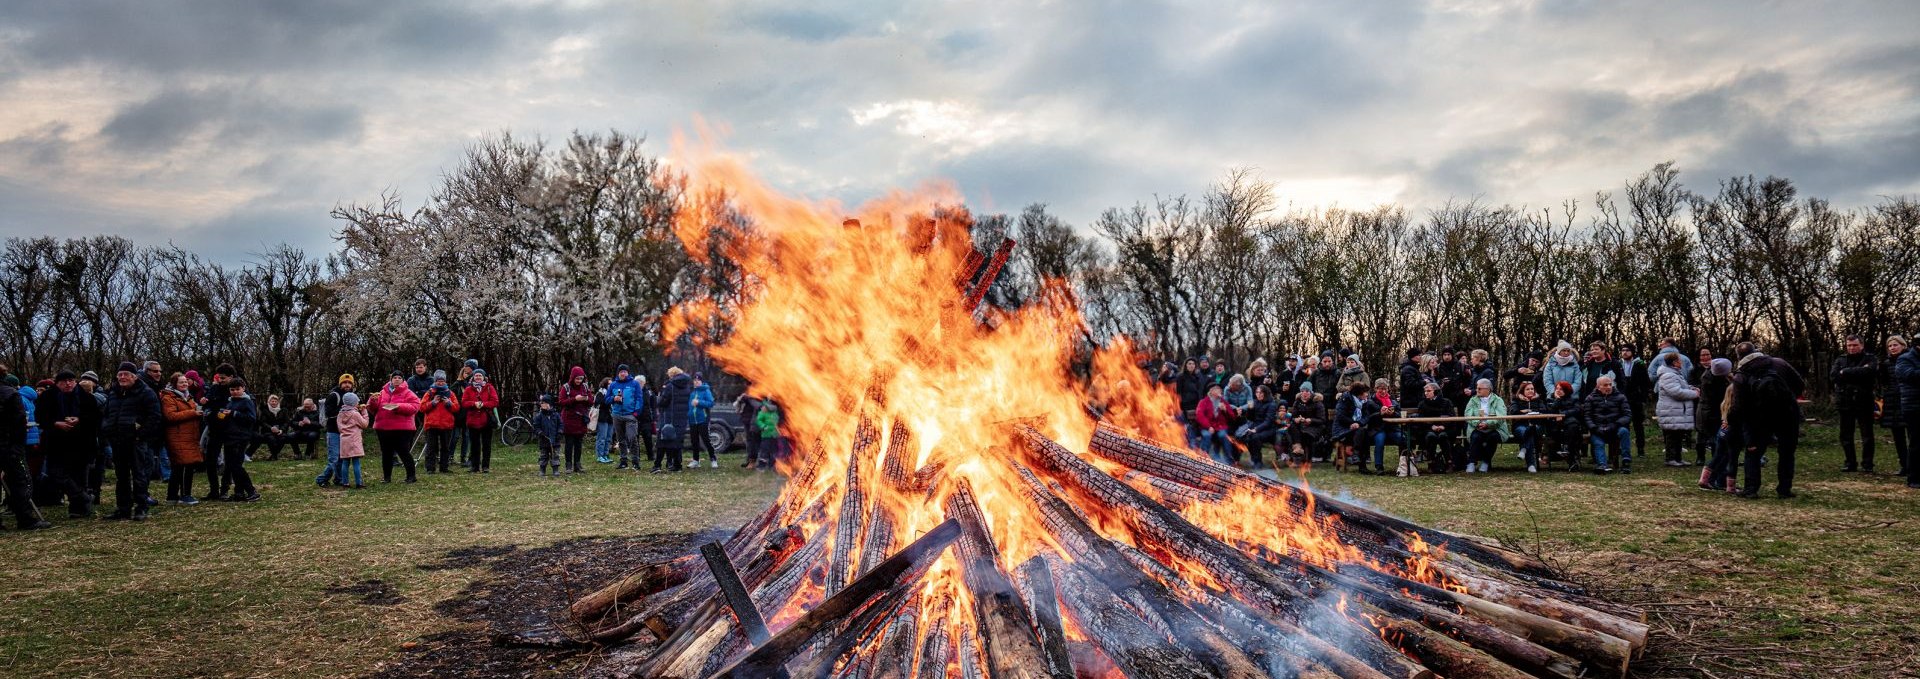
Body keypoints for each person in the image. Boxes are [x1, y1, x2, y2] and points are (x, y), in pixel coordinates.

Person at [1728, 343, 1805, 498]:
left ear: (1738, 357)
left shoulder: (1741, 375)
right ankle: (1784, 489)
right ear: (1756, 351)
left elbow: (1739, 405)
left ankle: (1751, 489)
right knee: (1787, 452)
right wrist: (1787, 399)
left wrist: (1732, 421)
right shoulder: (1779, 363)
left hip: (1758, 419)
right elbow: (1799, 384)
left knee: (1753, 453)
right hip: (1787, 414)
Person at [102, 363, 164, 518]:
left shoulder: (146, 392)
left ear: (134, 376)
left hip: (136, 441)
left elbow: (155, 416)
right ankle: (123, 508)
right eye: (120, 374)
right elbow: (106, 413)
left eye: (126, 374)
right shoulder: (113, 393)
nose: (123, 377)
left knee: (139, 474)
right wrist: (108, 428)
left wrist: (141, 434)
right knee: (121, 476)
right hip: (117, 440)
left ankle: (141, 507)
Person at [36, 371, 100, 518]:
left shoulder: (86, 397)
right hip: (56, 443)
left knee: (78, 475)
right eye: (64, 381)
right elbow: (41, 416)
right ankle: (83, 497)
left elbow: (95, 417)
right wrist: (55, 423)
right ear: (57, 383)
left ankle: (78, 509)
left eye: (71, 380)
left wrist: (78, 420)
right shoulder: (47, 397)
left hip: (81, 443)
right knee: (56, 474)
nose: (68, 384)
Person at [0, 375, 50, 530]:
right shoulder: (10, 393)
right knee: (21, 481)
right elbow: (19, 423)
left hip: (7, 444)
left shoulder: (9, 393)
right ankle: (26, 519)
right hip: (9, 446)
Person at [1828, 335, 1878, 473]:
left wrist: (1846, 372)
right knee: (1845, 434)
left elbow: (1870, 372)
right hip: (1845, 401)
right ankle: (1850, 463)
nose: (1851, 348)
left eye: (1854, 345)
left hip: (1864, 401)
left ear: (1861, 345)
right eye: (1849, 345)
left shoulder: (1870, 358)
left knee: (1867, 434)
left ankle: (1867, 464)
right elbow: (1834, 376)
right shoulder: (1840, 359)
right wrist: (1858, 373)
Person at [159, 374, 205, 505]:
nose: (184, 384)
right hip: (177, 436)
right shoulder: (169, 397)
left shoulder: (188, 396)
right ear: (174, 384)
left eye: (185, 382)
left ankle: (173, 496)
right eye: (181, 382)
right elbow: (170, 416)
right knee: (183, 466)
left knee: (182, 466)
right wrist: (193, 413)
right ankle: (184, 495)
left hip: (189, 436)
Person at [213, 377, 260, 502]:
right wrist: (222, 415)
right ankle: (239, 492)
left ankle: (251, 491)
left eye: (237, 389)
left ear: (243, 389)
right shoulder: (230, 401)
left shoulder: (247, 402)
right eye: (232, 389)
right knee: (231, 466)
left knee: (236, 466)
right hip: (229, 436)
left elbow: (251, 418)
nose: (234, 392)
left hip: (240, 437)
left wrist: (233, 413)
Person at [370, 370, 420, 483]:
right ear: (391, 380)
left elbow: (415, 407)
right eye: (394, 377)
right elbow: (373, 408)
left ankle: (411, 476)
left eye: (399, 378)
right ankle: (387, 477)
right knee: (386, 453)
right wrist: (372, 401)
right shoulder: (382, 393)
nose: (397, 379)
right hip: (383, 427)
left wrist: (398, 406)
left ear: (403, 380)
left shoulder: (408, 393)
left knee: (403, 451)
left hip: (402, 429)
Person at [1653, 352, 1700, 467]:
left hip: (1676, 411)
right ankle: (1670, 458)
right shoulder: (1669, 375)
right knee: (1672, 436)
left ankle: (1678, 458)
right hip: (1671, 410)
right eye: (1679, 360)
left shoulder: (1675, 374)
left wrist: (1691, 388)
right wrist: (1694, 393)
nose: (1682, 362)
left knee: (1678, 435)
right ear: (1674, 362)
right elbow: (1676, 392)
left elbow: (1680, 387)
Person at [1699, 359, 1739, 491]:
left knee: (1718, 454)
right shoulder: (1720, 386)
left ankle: (1706, 479)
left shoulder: (1708, 377)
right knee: (1729, 456)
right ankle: (1725, 483)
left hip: (1720, 426)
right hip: (1724, 426)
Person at [1582, 375, 1631, 474]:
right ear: (1598, 386)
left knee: (1624, 431)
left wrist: (1616, 424)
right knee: (1598, 443)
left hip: (1615, 427)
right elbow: (1587, 417)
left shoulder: (1620, 397)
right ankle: (1602, 465)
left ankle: (1626, 461)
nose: (1608, 387)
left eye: (1610, 384)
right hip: (1598, 429)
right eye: (1605, 385)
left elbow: (1627, 415)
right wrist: (1594, 428)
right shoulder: (1590, 398)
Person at [315, 374, 356, 487]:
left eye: (349, 383)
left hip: (346, 432)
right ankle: (322, 479)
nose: (347, 385)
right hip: (333, 431)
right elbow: (329, 412)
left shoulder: (353, 396)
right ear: (340, 384)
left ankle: (339, 479)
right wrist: (345, 411)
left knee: (342, 458)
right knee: (334, 458)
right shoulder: (334, 396)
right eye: (344, 382)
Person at [1409, 382, 1457, 474]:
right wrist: (1432, 426)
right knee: (1431, 436)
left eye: (1428, 391)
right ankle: (1431, 463)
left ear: (1436, 391)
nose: (1426, 393)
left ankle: (1449, 462)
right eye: (1425, 391)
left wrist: (1443, 426)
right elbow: (1421, 420)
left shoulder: (1446, 402)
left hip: (1445, 428)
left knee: (1443, 436)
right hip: (1428, 429)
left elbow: (1452, 417)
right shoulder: (1422, 404)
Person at [1463, 379, 1508, 474]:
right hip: (1477, 427)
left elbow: (1501, 416)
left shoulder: (1498, 400)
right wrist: (1477, 423)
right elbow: (1468, 415)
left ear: (1488, 389)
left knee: (1493, 437)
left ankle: (1486, 462)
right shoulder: (1473, 400)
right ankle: (1471, 462)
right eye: (1477, 388)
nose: (1477, 390)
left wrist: (1488, 424)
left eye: (1479, 388)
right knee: (1475, 437)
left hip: (1495, 428)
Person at [605, 365, 646, 470]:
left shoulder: (634, 384)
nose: (623, 374)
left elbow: (639, 398)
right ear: (618, 373)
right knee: (621, 439)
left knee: (632, 438)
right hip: (617, 415)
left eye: (625, 372)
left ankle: (635, 461)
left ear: (628, 373)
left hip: (630, 415)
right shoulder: (613, 385)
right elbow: (606, 399)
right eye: (621, 372)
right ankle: (623, 461)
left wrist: (636, 413)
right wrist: (614, 398)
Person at [654, 367, 694, 473]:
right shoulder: (687, 386)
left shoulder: (670, 386)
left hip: (668, 419)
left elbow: (662, 402)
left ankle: (657, 466)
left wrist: (658, 398)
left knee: (662, 442)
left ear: (671, 375)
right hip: (681, 420)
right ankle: (677, 466)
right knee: (677, 443)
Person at [1233, 384, 1283, 469]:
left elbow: (1268, 422)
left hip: (1269, 429)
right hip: (1255, 425)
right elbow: (1250, 418)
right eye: (1257, 392)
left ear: (1266, 393)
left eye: (1261, 393)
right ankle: (1235, 459)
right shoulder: (1255, 402)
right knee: (1239, 436)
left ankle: (1257, 461)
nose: (1258, 394)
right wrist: (1249, 410)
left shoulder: (1271, 404)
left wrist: (1256, 429)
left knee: (1254, 438)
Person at [1367, 378, 1410, 477]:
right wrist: (1380, 413)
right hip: (1378, 429)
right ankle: (1379, 467)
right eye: (1380, 389)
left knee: (1403, 438)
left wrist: (1393, 413)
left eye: (1385, 388)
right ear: (1375, 389)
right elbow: (1368, 418)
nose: (1383, 391)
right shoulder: (1371, 402)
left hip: (1392, 429)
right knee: (1379, 441)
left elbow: (1399, 415)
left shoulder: (1393, 401)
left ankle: (1404, 464)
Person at [1616, 344, 1652, 459]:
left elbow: (1645, 382)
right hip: (1622, 398)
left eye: (1627, 350)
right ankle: (1622, 448)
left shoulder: (1639, 364)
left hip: (1636, 399)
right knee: (1622, 424)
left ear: (1632, 352)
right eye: (1623, 350)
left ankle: (1640, 448)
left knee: (1638, 425)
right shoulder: (1619, 364)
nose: (1625, 352)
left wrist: (1643, 397)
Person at [418, 372, 458, 473]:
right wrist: (433, 403)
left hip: (446, 425)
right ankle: (430, 468)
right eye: (438, 381)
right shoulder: (429, 393)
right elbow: (421, 408)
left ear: (445, 381)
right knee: (431, 448)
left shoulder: (450, 393)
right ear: (435, 381)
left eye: (442, 381)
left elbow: (457, 408)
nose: (440, 383)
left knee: (445, 448)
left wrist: (449, 403)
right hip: (431, 425)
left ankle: (444, 468)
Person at [461, 369, 499, 473]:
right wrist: (474, 404)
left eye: (480, 376)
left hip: (486, 420)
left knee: (486, 445)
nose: (478, 377)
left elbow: (495, 401)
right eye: (476, 376)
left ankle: (485, 466)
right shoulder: (468, 389)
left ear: (483, 377)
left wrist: (483, 404)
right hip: (472, 421)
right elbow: (464, 403)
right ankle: (475, 466)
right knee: (474, 445)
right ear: (473, 377)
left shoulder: (489, 388)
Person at [558, 366, 594, 474]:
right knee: (569, 443)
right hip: (569, 419)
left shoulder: (585, 387)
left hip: (581, 419)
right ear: (573, 377)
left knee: (579, 443)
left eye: (581, 378)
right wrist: (574, 399)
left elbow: (591, 401)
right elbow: (561, 402)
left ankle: (577, 464)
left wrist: (587, 398)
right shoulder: (566, 387)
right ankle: (568, 465)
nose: (579, 381)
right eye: (577, 378)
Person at [1894, 338, 1920, 489]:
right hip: (1913, 407)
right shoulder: (1904, 359)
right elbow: (1910, 376)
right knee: (1916, 443)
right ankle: (1914, 478)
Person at [1543, 380, 1585, 470]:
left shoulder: (1574, 400)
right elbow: (1550, 411)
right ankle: (1571, 459)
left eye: (1561, 389)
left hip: (1571, 428)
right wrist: (1558, 400)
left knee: (1572, 424)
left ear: (1566, 390)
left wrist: (1563, 414)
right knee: (1571, 425)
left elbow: (1577, 410)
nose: (1558, 390)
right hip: (1555, 428)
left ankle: (1568, 451)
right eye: (1557, 388)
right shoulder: (1550, 400)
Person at [1884, 336, 1911, 478]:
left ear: (1903, 345)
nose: (1893, 348)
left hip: (1908, 399)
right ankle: (1904, 465)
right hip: (1892, 403)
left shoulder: (1911, 359)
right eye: (1890, 346)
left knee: (1913, 437)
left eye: (1895, 345)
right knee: (1898, 436)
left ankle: (1914, 465)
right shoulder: (1886, 363)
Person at [1509, 381, 1547, 473]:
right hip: (1520, 426)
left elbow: (1544, 410)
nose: (1530, 391)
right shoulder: (1516, 400)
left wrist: (1530, 410)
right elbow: (1513, 411)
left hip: (1537, 426)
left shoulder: (1539, 400)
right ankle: (1531, 464)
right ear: (1522, 391)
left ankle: (1524, 450)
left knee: (1532, 430)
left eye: (1532, 389)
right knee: (1529, 432)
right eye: (1528, 389)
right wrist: (1523, 412)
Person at [1194, 384, 1236, 464]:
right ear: (1211, 391)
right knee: (1207, 435)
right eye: (1216, 389)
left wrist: (1225, 410)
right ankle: (1203, 459)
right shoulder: (1204, 401)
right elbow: (1200, 415)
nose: (1219, 391)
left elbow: (1232, 417)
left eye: (1220, 389)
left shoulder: (1223, 402)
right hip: (1207, 426)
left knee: (1223, 436)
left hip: (1220, 426)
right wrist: (1208, 426)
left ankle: (1229, 459)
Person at [334, 392, 368, 488]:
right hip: (354, 440)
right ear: (353, 403)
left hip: (344, 440)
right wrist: (364, 413)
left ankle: (345, 482)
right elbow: (364, 424)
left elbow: (340, 428)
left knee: (345, 462)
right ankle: (359, 483)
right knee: (356, 462)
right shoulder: (355, 414)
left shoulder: (340, 414)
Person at [1289, 388, 1328, 464]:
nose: (1304, 393)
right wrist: (1296, 419)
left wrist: (1310, 420)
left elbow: (1322, 420)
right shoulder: (1297, 402)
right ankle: (1298, 448)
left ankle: (1302, 458)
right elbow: (1293, 417)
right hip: (1300, 425)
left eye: (1307, 391)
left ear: (1311, 393)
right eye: (1302, 391)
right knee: (1291, 428)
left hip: (1315, 427)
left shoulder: (1317, 403)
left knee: (1305, 435)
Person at [687, 373, 718, 468]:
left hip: (703, 420)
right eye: (695, 380)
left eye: (698, 380)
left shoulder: (706, 390)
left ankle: (713, 459)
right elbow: (689, 406)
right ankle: (696, 460)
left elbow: (711, 403)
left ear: (701, 381)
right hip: (692, 421)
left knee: (706, 440)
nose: (696, 382)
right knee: (694, 441)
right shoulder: (692, 392)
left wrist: (699, 402)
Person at [252, 394, 293, 460]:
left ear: (278, 402)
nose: (274, 402)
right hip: (268, 431)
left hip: (280, 431)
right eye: (272, 401)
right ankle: (274, 456)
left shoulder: (284, 410)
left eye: (275, 401)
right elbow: (262, 422)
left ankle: (274, 455)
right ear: (269, 402)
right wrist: (271, 428)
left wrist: (281, 430)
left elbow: (287, 422)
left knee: (283, 438)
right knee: (271, 439)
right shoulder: (265, 410)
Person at [533, 395, 563, 476]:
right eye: (542, 403)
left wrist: (560, 432)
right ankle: (542, 470)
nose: (542, 405)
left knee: (555, 455)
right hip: (544, 440)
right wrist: (540, 432)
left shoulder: (556, 415)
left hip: (555, 440)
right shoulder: (539, 416)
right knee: (543, 455)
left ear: (550, 404)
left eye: (545, 403)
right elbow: (536, 426)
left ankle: (555, 469)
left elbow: (561, 424)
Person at [752, 399, 781, 470]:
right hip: (766, 434)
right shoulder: (763, 411)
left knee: (774, 450)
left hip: (775, 434)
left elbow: (778, 421)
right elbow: (759, 420)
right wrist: (763, 426)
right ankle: (762, 465)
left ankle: (772, 465)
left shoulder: (775, 411)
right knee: (765, 449)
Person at [735, 392, 762, 469]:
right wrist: (742, 398)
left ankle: (753, 461)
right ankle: (749, 460)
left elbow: (758, 406)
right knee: (749, 441)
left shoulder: (758, 395)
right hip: (747, 421)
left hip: (754, 422)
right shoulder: (749, 394)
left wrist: (748, 398)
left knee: (754, 442)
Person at [594, 377, 616, 464]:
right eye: (609, 383)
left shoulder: (613, 393)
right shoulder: (600, 393)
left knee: (608, 438)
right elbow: (598, 403)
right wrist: (610, 400)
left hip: (610, 418)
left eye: (612, 383)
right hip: (602, 418)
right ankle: (600, 456)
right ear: (605, 384)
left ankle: (606, 454)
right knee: (602, 438)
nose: (611, 385)